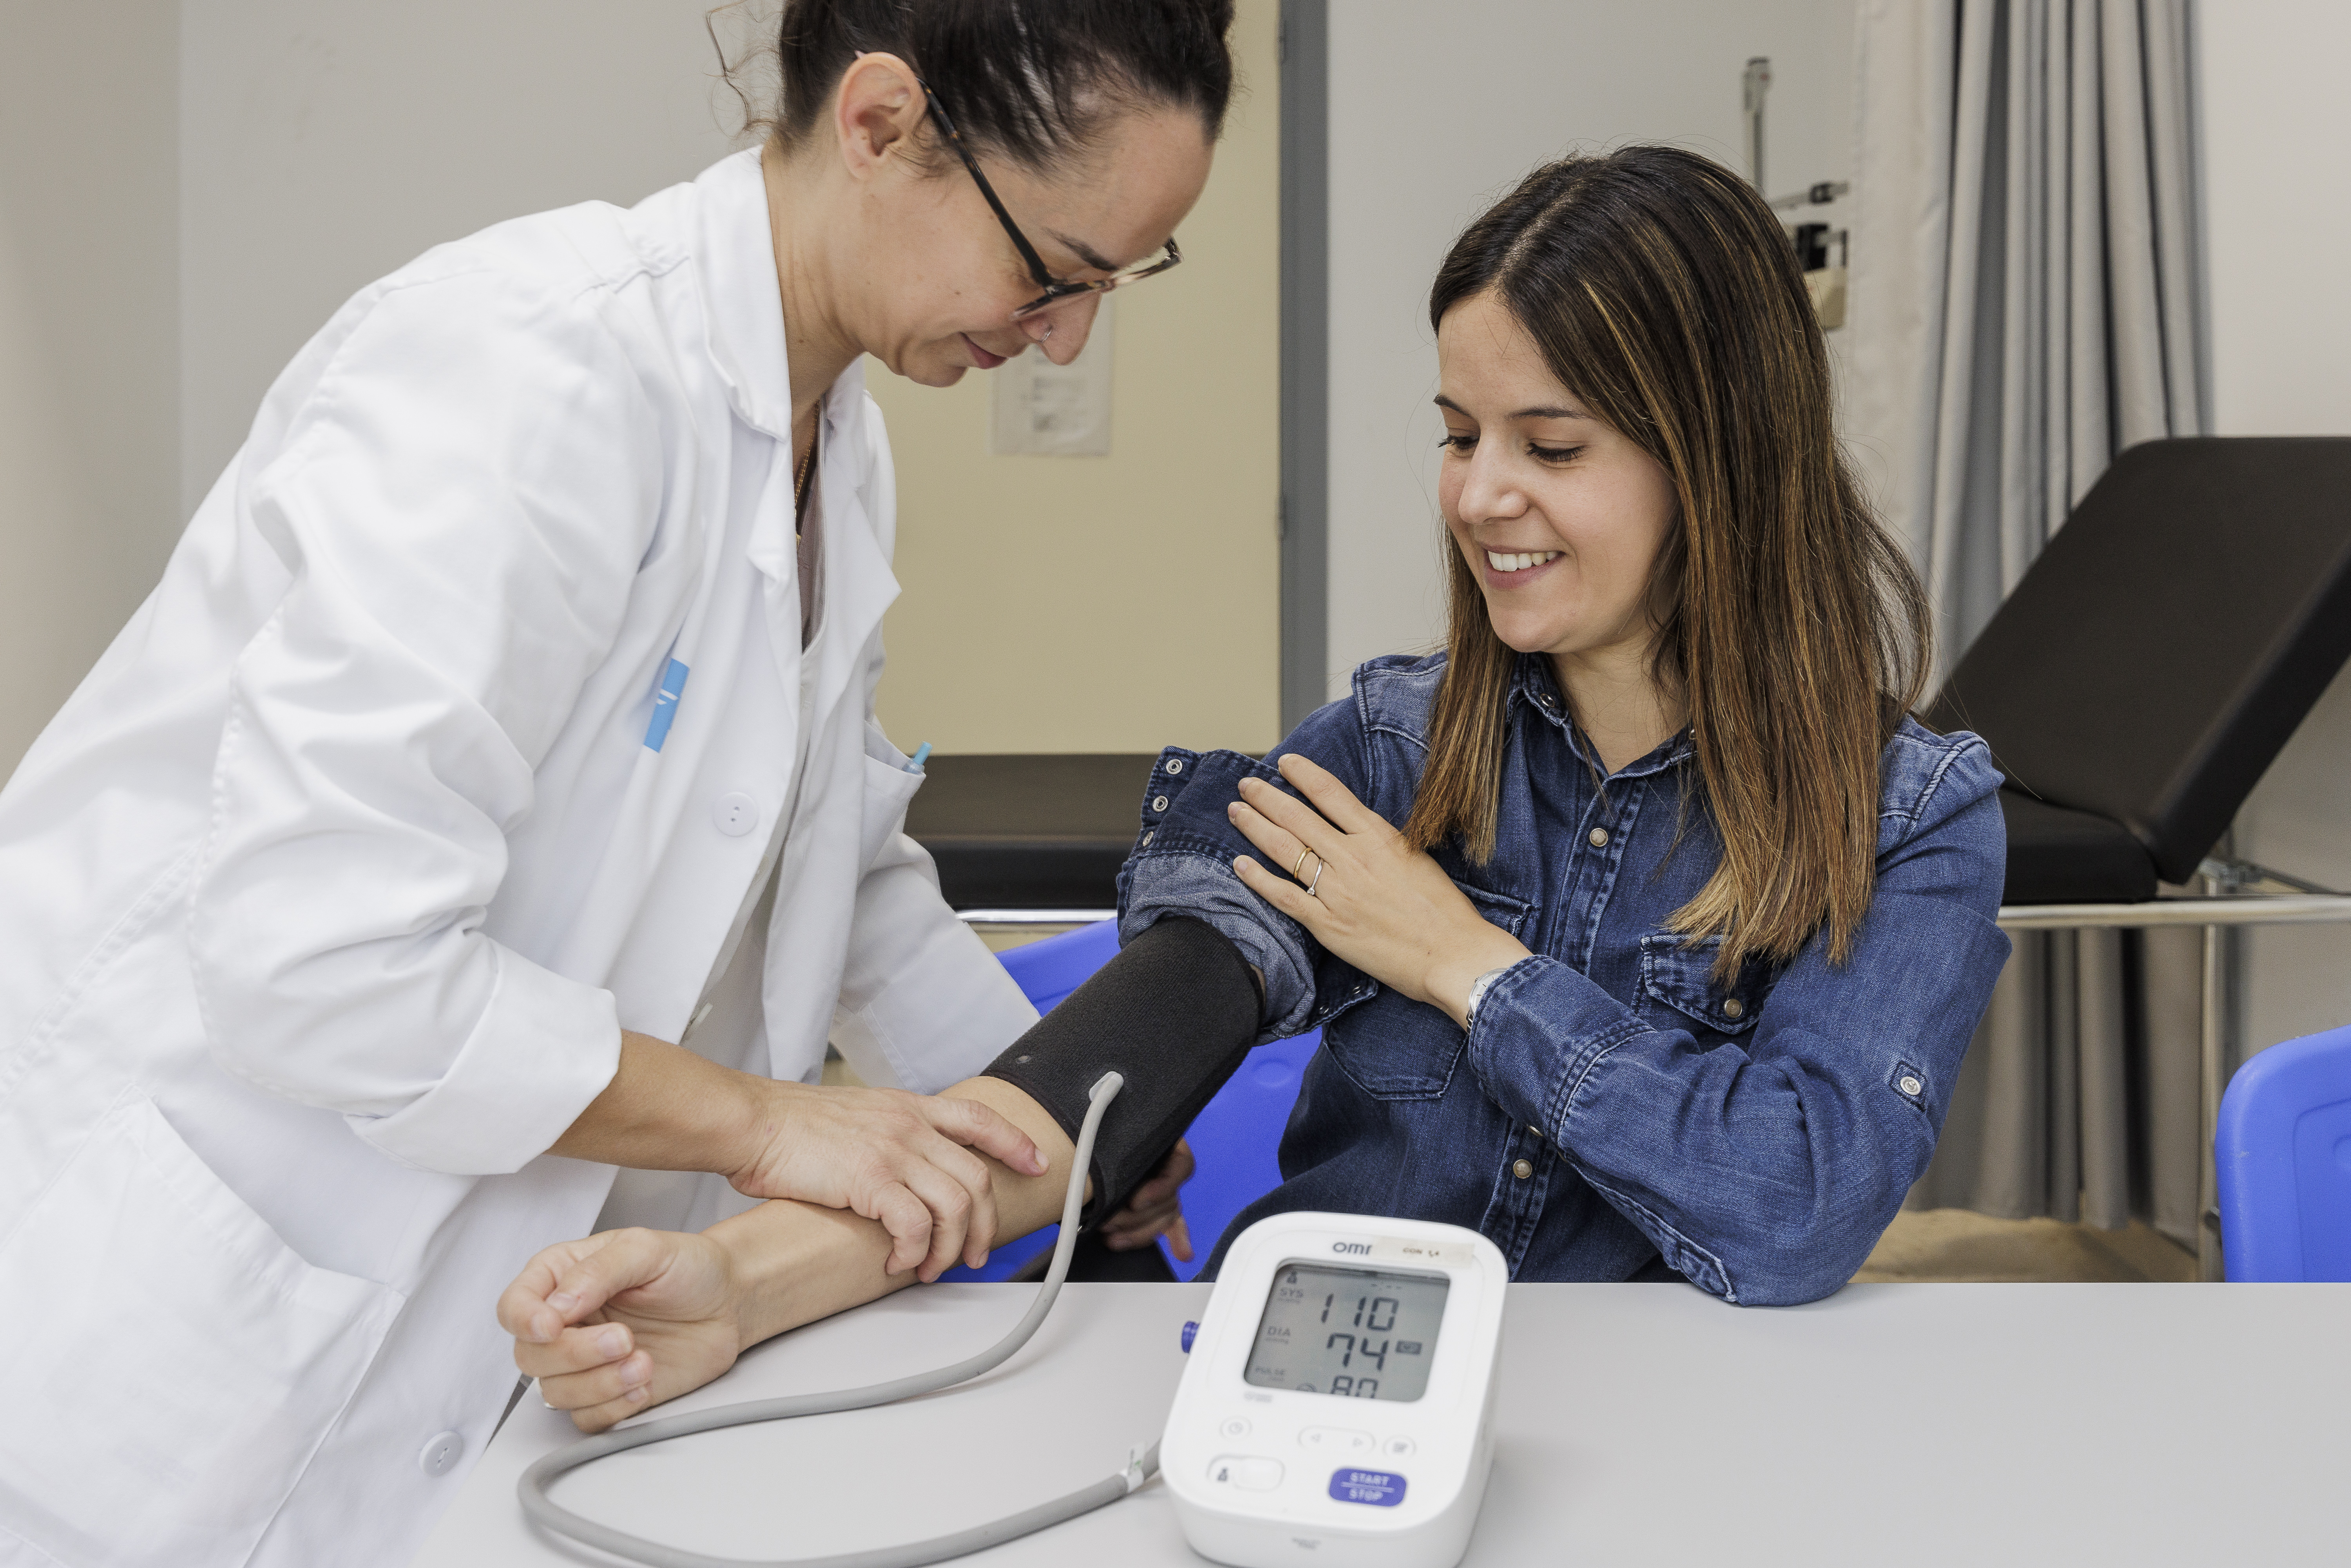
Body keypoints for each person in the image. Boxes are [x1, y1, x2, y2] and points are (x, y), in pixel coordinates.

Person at [502, 145, 2009, 1430]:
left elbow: (1802, 1202)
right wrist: (742, 1284)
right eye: (1458, 434)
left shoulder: (1911, 815)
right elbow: (1088, 1096)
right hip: (1314, 1400)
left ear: (1723, 460)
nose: (1482, 494)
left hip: (1675, 1434)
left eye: (1552, 444)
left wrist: (1460, 960)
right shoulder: (1391, 750)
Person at [0, 3, 1233, 1564]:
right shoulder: (529, 374)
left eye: (1116, 284)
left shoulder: (834, 449)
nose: (1065, 337)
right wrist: (760, 1125)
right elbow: (315, 956)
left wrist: (1058, 1131)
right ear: (878, 125)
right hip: (154, 1348)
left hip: (466, 1344)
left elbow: (826, 863)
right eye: (1054, 269)